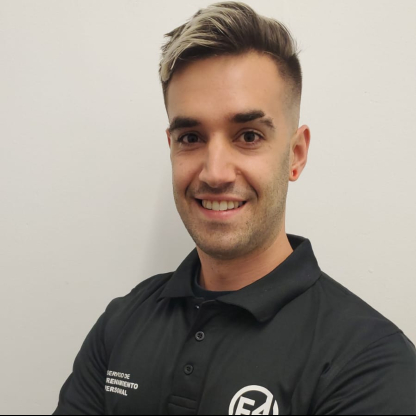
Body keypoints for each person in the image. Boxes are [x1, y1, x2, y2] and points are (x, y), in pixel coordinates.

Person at [53, 2, 416, 415]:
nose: (215, 173)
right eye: (191, 138)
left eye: (248, 135)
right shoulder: (122, 323)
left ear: (296, 154)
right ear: (171, 147)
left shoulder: (370, 363)